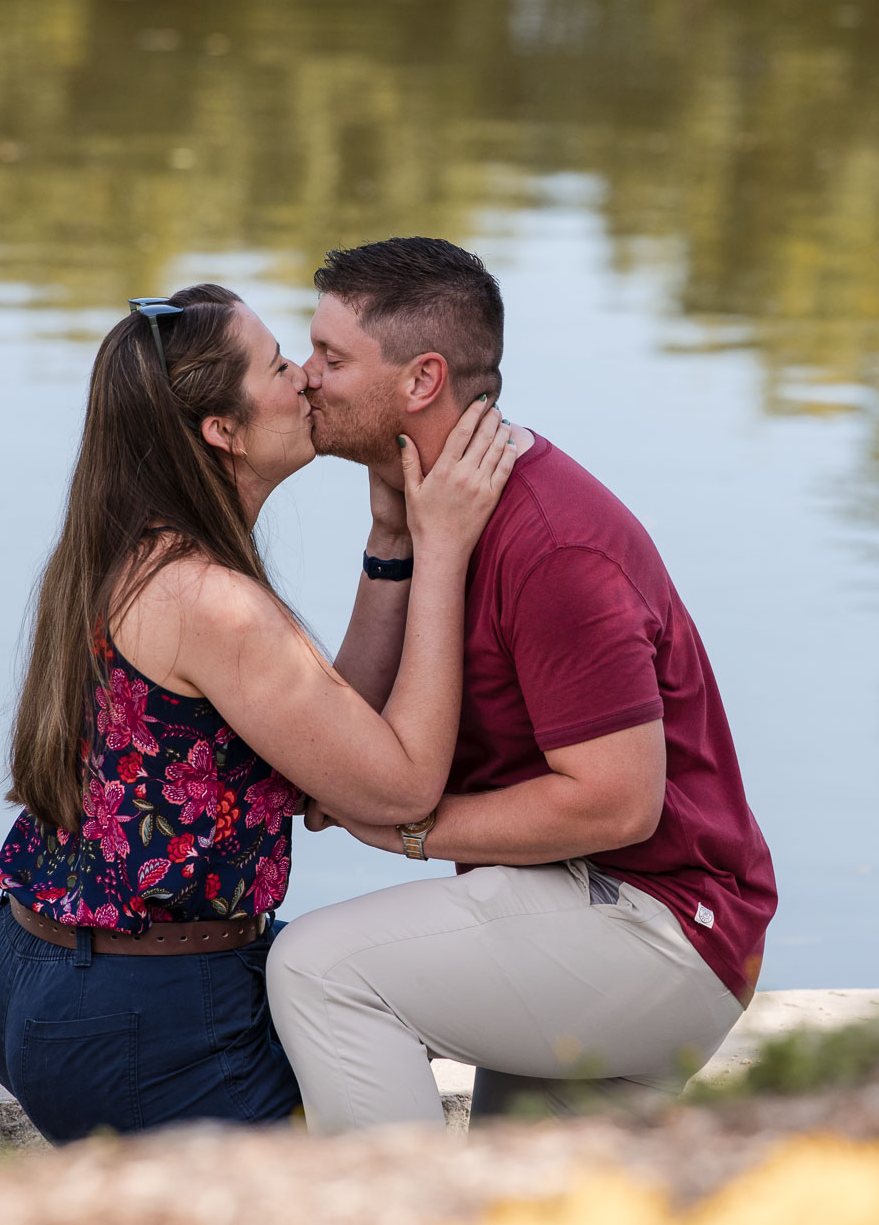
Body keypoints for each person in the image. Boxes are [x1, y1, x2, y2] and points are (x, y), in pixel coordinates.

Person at [0, 282, 518, 1142]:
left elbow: (328, 749)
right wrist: (445, 550)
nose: (306, 377)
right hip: (144, 1014)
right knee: (364, 1161)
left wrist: (393, 543)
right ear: (222, 430)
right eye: (279, 364)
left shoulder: (129, 551)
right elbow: (404, 785)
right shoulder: (209, 601)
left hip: (46, 966)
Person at [266, 238, 779, 1133]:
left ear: (422, 379)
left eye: (331, 357)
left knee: (320, 970)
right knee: (526, 1187)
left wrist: (412, 829)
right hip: (569, 907)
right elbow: (345, 749)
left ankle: (394, 1202)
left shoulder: (552, 545)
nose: (307, 376)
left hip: (661, 928)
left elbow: (619, 802)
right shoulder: (438, 513)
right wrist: (394, 540)